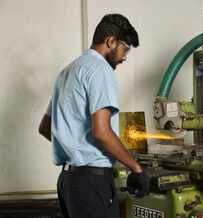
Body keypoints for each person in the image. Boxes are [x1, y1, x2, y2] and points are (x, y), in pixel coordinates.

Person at [38, 13, 150, 218]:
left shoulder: (67, 72)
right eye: (125, 49)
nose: (124, 57)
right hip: (92, 183)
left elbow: (45, 127)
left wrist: (74, 147)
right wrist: (137, 169)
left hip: (67, 181)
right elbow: (102, 132)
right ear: (111, 41)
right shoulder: (100, 70)